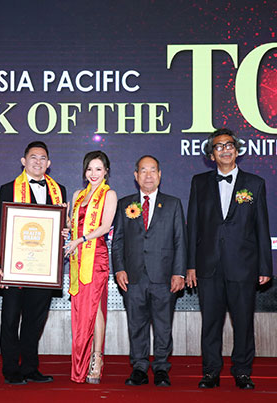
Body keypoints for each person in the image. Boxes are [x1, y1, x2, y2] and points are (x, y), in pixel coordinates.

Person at [186, 128, 272, 390]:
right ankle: (210, 372)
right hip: (208, 265)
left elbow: (262, 227)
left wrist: (265, 266)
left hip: (243, 265)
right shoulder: (199, 182)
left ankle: (242, 371)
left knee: (243, 322)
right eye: (219, 146)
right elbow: (193, 227)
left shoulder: (255, 184)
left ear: (237, 150)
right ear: (211, 155)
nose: (225, 150)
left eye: (229, 145)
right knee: (211, 322)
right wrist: (190, 265)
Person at [0, 141, 67, 385]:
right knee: (11, 319)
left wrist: (65, 231)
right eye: (33, 157)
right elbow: (0, 228)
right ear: (24, 161)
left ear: (49, 163)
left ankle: (31, 367)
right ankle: (11, 369)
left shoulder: (59, 190)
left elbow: (59, 227)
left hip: (43, 268)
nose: (38, 162)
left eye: (43, 158)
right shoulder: (8, 188)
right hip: (16, 267)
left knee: (35, 320)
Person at [112, 155, 186, 387]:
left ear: (160, 175)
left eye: (153, 170)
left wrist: (179, 273)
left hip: (164, 276)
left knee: (163, 325)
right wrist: (119, 269)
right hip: (133, 276)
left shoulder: (173, 204)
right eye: (143, 171)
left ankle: (161, 368)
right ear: (136, 176)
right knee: (136, 324)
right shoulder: (125, 204)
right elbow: (117, 241)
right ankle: (139, 367)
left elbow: (180, 241)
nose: (148, 175)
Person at [64, 151, 118, 384]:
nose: (93, 173)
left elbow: (105, 227)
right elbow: (73, 224)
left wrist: (80, 239)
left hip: (96, 256)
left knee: (94, 307)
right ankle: (84, 359)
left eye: (98, 169)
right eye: (89, 169)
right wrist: (65, 224)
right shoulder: (78, 195)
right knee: (82, 308)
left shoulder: (109, 194)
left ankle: (97, 358)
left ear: (106, 171)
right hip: (78, 256)